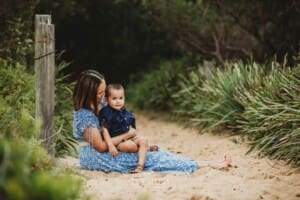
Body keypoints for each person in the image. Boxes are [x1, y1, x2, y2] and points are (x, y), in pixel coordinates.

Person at [73, 69, 232, 173]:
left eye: (103, 92)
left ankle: (203, 163)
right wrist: (127, 134)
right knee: (151, 159)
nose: (103, 96)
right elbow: (100, 146)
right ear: (88, 92)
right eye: (100, 93)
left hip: (112, 146)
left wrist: (131, 138)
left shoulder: (99, 104)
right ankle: (208, 164)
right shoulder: (84, 114)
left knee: (153, 151)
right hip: (96, 157)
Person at [99, 83, 158, 172]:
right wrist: (110, 146)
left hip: (130, 137)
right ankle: (145, 149)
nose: (118, 101)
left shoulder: (126, 112)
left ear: (124, 98)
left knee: (144, 140)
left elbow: (132, 130)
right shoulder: (106, 113)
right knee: (130, 146)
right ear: (107, 100)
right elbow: (104, 130)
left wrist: (135, 136)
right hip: (118, 141)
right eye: (114, 98)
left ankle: (140, 165)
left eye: (121, 98)